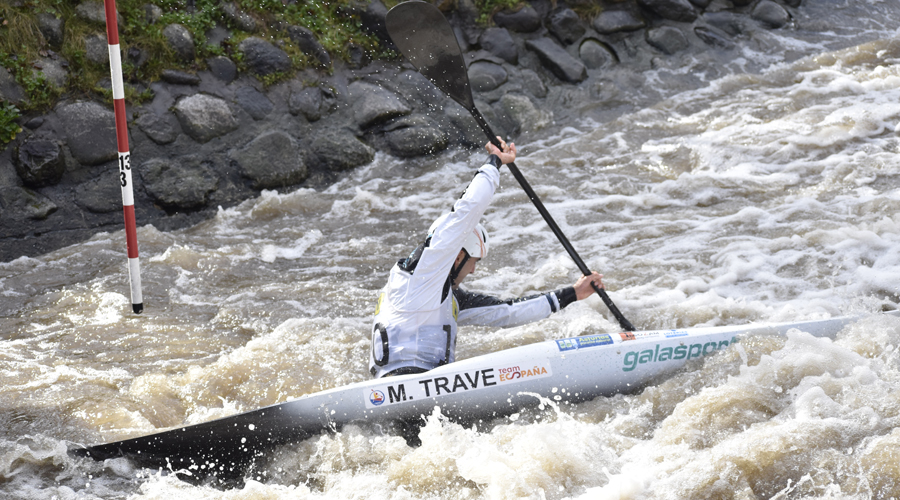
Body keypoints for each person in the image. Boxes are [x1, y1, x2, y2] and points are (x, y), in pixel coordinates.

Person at [369, 138, 604, 378]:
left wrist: (573, 294)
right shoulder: (423, 273)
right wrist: (494, 162)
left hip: (419, 392)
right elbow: (467, 210)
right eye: (474, 261)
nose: (472, 271)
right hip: (401, 385)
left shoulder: (443, 295)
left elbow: (508, 312)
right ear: (459, 255)